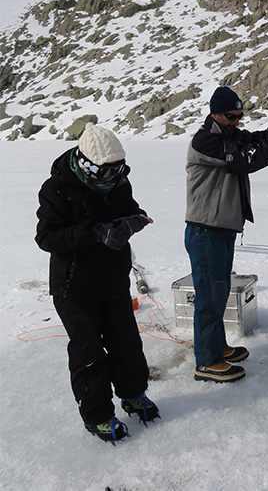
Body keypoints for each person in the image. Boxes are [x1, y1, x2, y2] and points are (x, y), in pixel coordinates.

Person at [35, 122, 158, 443]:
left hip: (114, 282)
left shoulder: (118, 183)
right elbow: (46, 237)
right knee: (89, 354)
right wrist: (94, 233)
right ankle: (98, 416)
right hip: (74, 289)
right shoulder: (57, 189)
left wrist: (133, 222)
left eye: (120, 169)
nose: (114, 177)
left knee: (127, 345)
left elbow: (131, 210)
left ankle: (133, 395)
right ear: (87, 167)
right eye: (107, 172)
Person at [185, 86, 268, 383]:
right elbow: (248, 158)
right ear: (215, 113)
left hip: (221, 229)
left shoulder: (228, 135)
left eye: (240, 116)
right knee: (209, 296)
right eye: (232, 116)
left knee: (219, 291)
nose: (238, 121)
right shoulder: (207, 141)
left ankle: (217, 347)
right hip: (206, 230)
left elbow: (258, 139)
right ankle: (207, 361)